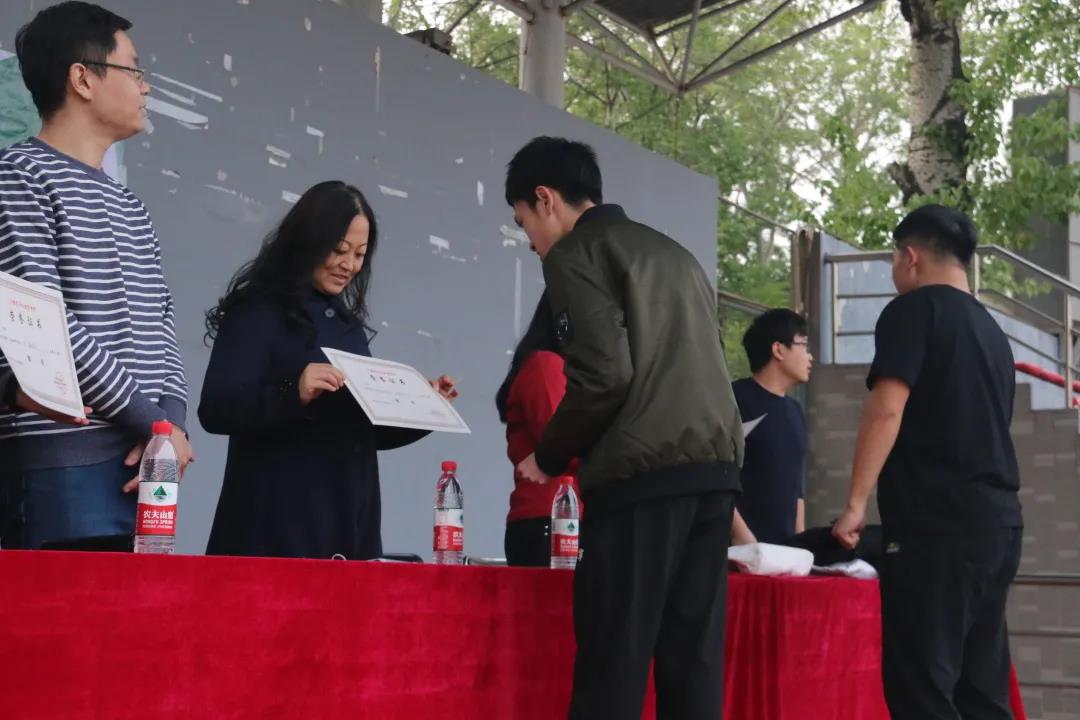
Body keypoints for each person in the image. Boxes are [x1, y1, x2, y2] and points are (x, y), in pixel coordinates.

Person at [507, 136, 743, 720]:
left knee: (614, 661)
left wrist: (548, 455)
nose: (529, 241)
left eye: (522, 221)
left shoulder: (576, 254)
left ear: (545, 199)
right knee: (693, 665)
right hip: (715, 472)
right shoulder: (674, 253)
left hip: (642, 477)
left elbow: (605, 376)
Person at [0, 2, 192, 549]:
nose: (145, 87)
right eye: (134, 69)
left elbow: (163, 325)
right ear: (83, 79)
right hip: (61, 460)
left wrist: (170, 427)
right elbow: (46, 328)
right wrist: (154, 425)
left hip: (145, 459)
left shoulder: (131, 205)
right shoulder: (21, 176)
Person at [833, 204, 1023, 720]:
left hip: (936, 527)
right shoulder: (993, 332)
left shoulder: (912, 311)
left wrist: (855, 504)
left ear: (910, 257)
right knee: (981, 690)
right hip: (998, 525)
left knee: (922, 688)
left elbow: (886, 410)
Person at [199, 180, 456, 560]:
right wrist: (295, 390)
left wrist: (423, 406)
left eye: (360, 254)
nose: (349, 265)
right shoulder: (257, 311)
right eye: (339, 250)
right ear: (308, 241)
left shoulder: (348, 326)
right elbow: (216, 409)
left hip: (350, 522)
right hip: (274, 528)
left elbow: (363, 428)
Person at [495, 292, 581, 567]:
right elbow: (562, 442)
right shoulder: (546, 365)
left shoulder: (558, 367)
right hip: (551, 522)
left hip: (563, 521)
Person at [730, 308, 812, 545]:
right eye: (803, 345)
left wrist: (800, 542)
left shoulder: (795, 410)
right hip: (740, 551)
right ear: (778, 349)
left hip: (784, 552)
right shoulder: (734, 399)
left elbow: (796, 488)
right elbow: (717, 475)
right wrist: (743, 537)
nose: (810, 357)